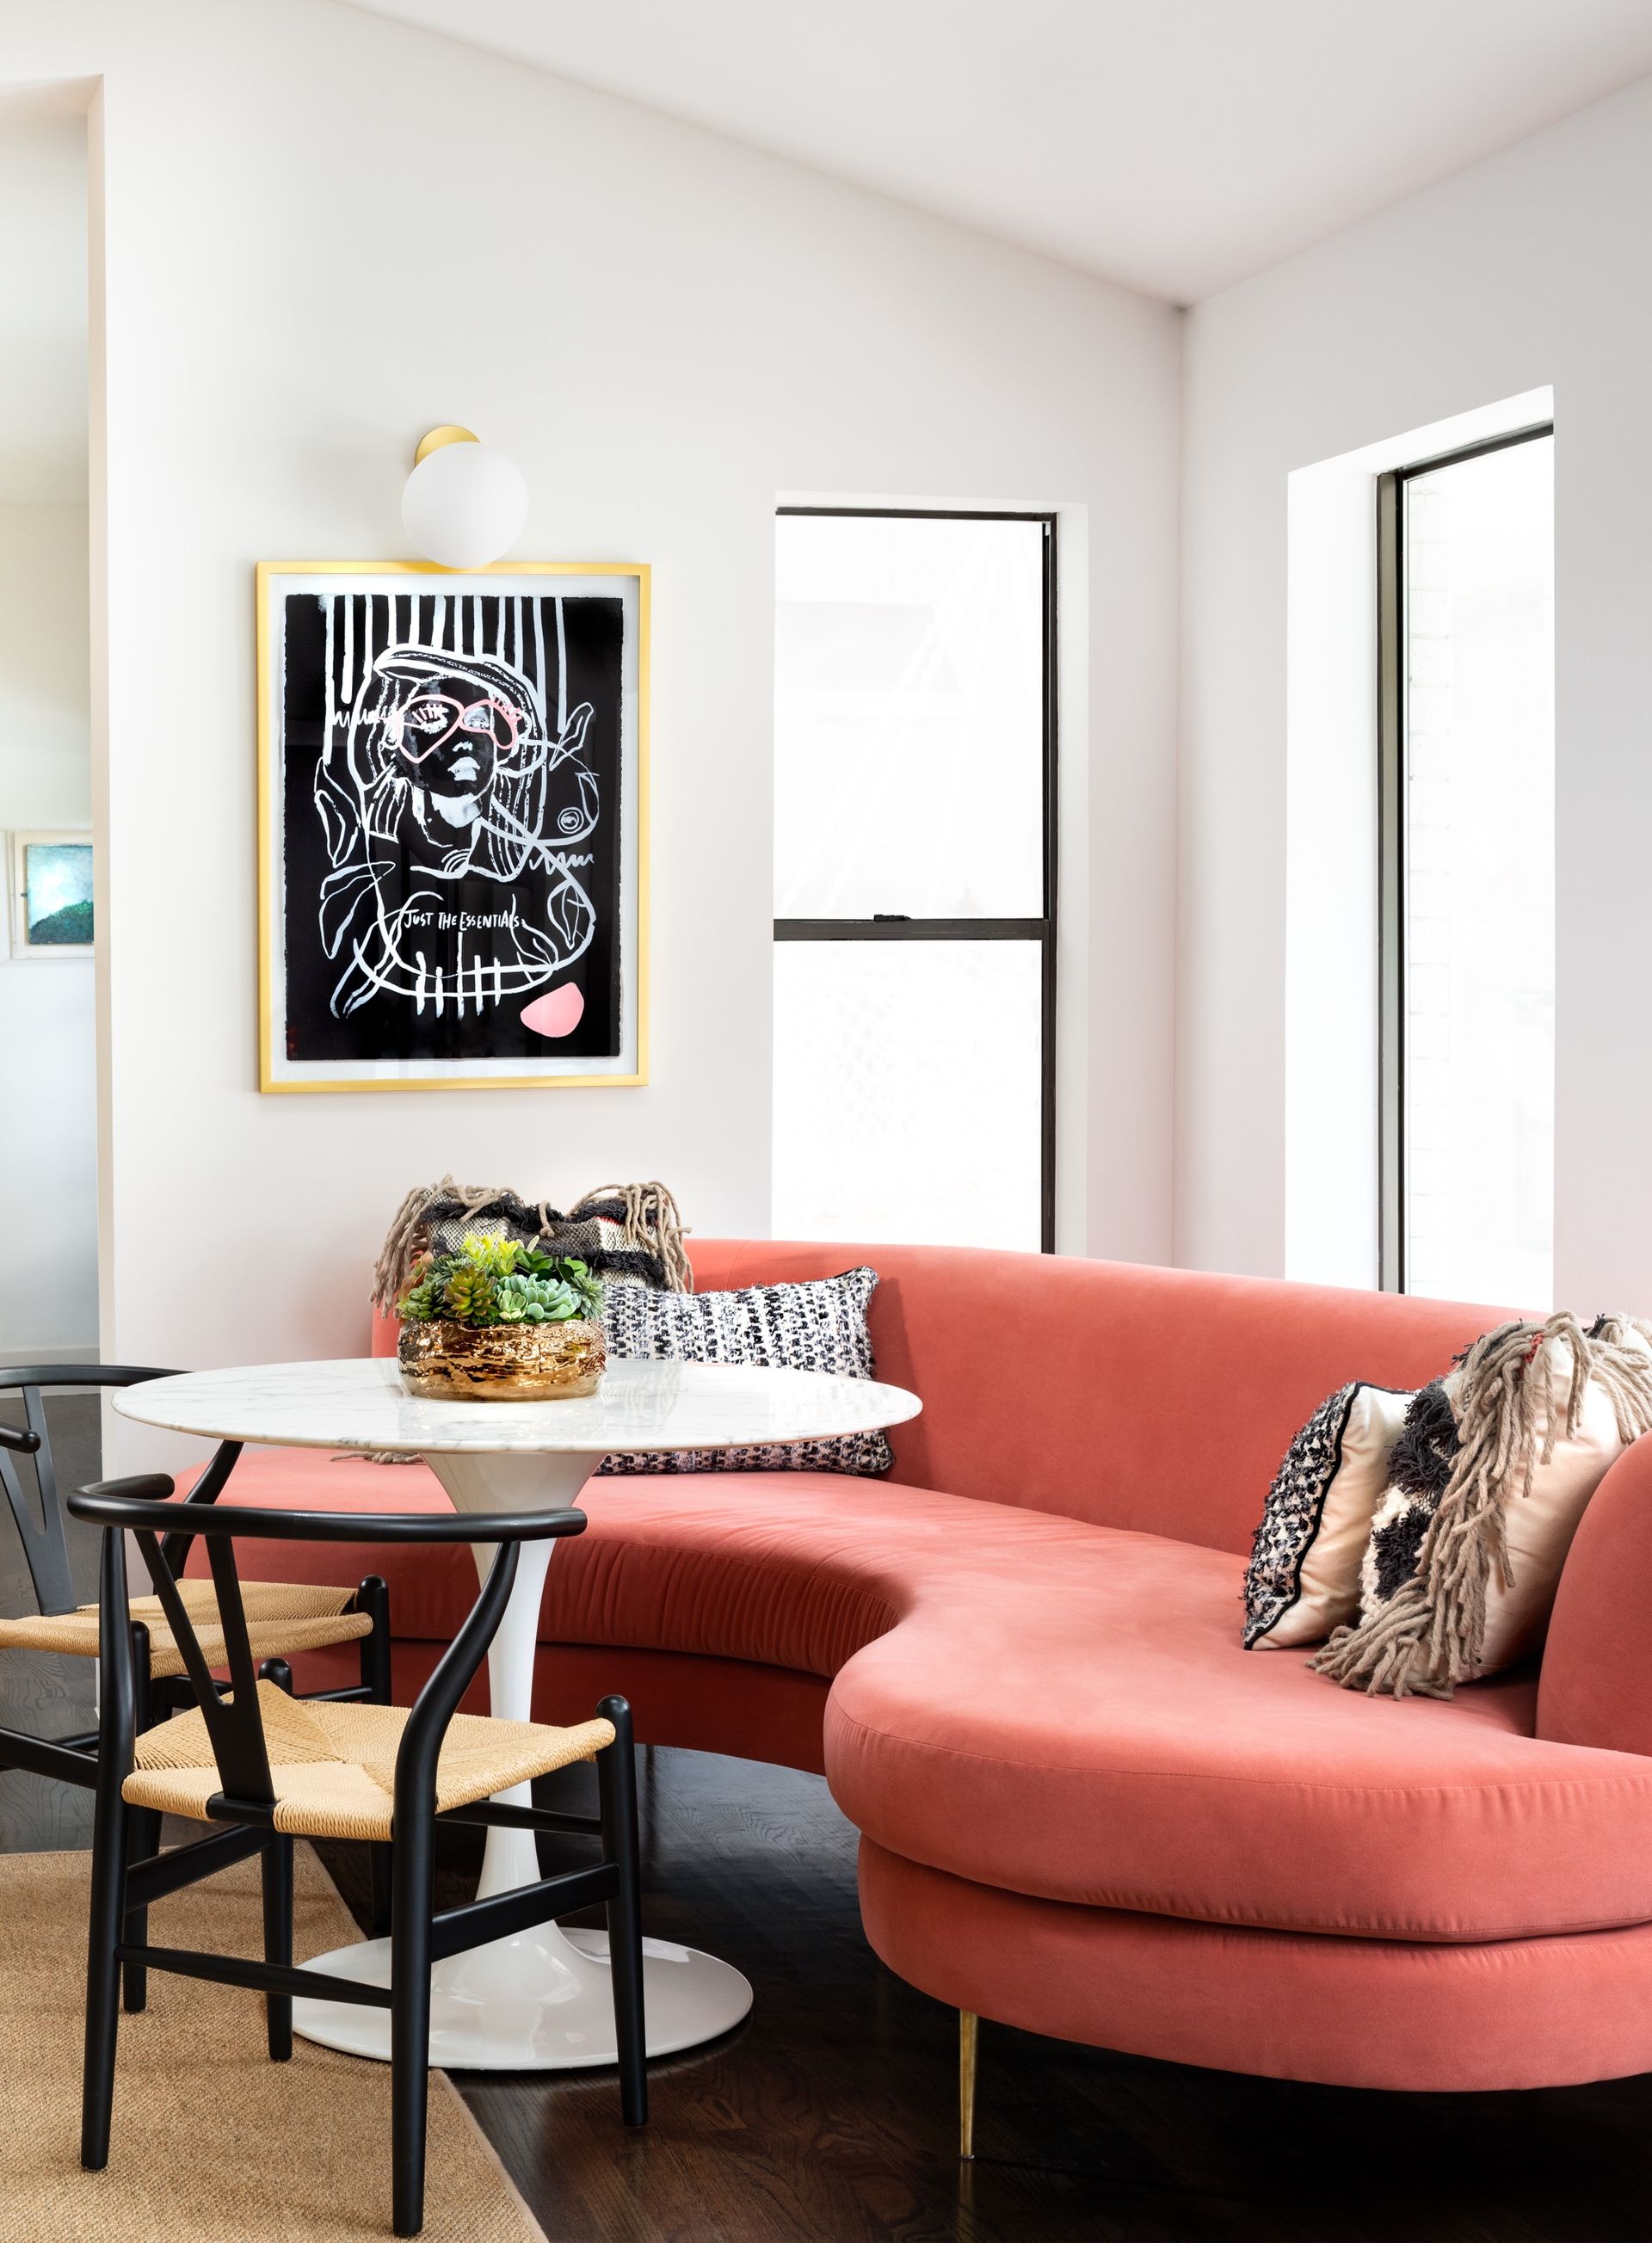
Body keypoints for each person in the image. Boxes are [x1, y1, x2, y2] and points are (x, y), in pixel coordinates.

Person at [313, 641, 599, 1022]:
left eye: (482, 722)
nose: (466, 737)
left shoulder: (517, 859)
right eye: (433, 718)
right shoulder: (375, 849)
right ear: (395, 742)